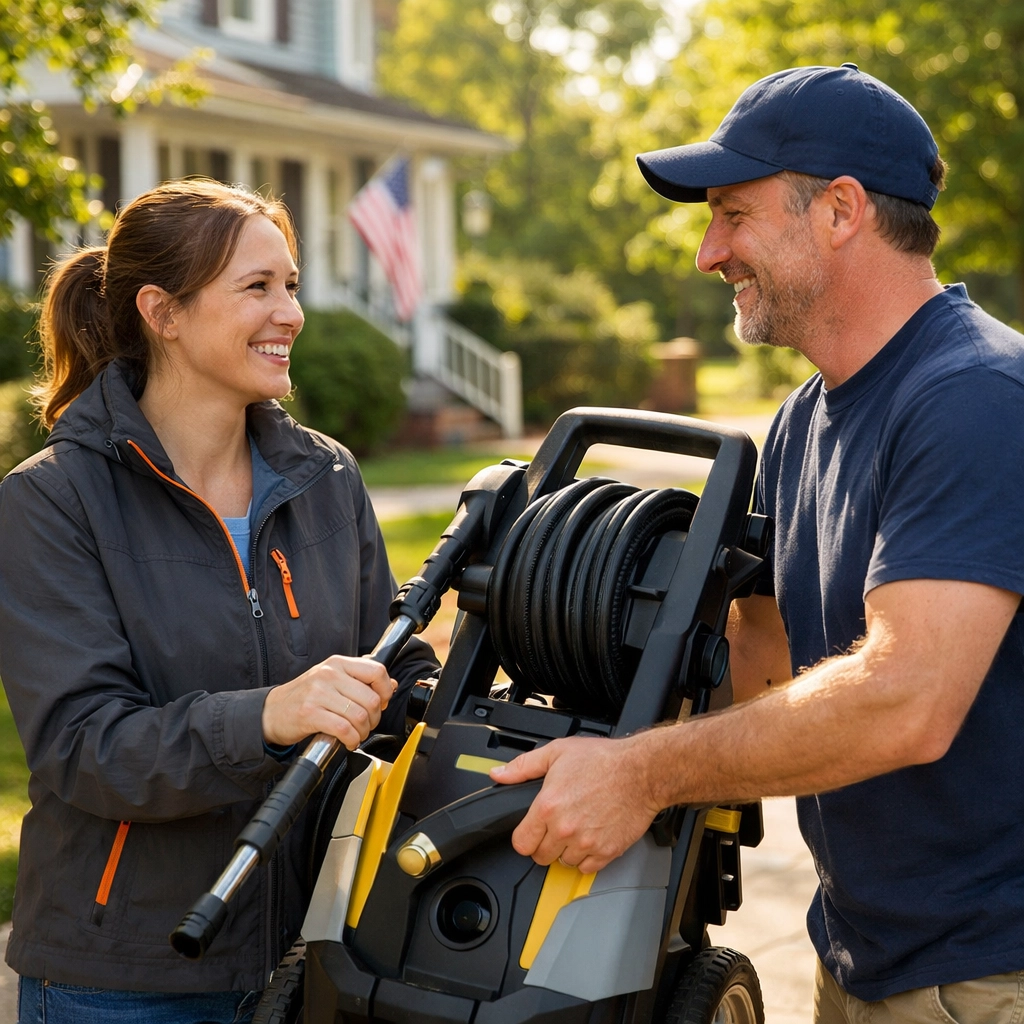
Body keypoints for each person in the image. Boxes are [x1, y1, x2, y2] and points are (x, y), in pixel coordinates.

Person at [492, 64, 1024, 1022]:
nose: (707, 252)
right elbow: (760, 661)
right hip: (862, 953)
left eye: (732, 213)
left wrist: (641, 775)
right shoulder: (802, 420)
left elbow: (907, 702)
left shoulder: (976, 398)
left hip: (987, 976)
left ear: (842, 210)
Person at [0, 179, 438, 1023]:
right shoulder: (51, 501)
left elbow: (396, 663)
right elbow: (85, 746)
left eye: (292, 286)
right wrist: (271, 715)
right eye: (256, 288)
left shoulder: (327, 476)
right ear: (162, 312)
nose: (291, 314)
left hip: (313, 959)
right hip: (124, 980)